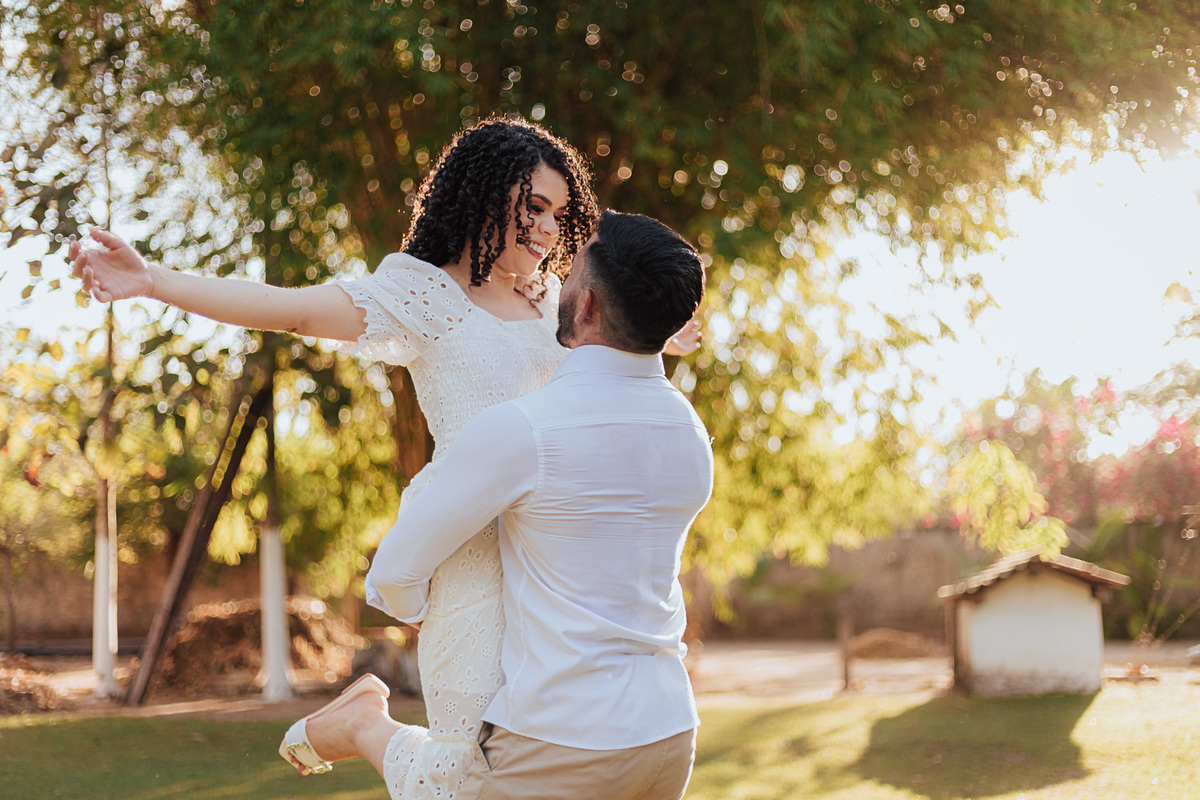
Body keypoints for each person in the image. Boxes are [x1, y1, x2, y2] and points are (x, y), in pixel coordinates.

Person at [71, 116, 698, 799]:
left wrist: (659, 326)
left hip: (555, 561)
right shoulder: (426, 295)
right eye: (535, 208)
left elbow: (608, 359)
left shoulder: (555, 299)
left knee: (514, 767)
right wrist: (153, 281)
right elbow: (291, 310)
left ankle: (363, 725)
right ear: (485, 197)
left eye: (560, 214)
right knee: (463, 769)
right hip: (469, 556)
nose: (550, 230)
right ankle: (367, 727)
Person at [282, 208, 712, 800]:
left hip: (565, 739)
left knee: (444, 788)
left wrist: (451, 611)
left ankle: (364, 727)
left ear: (587, 305)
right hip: (670, 735)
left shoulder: (525, 428)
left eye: (571, 272)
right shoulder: (689, 431)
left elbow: (394, 574)